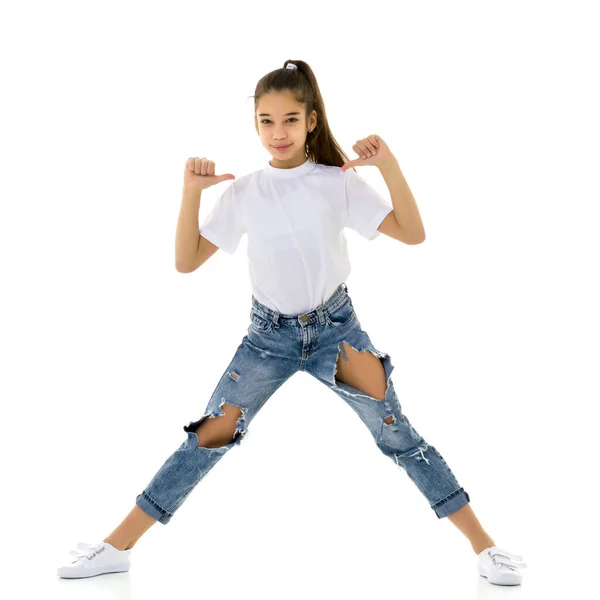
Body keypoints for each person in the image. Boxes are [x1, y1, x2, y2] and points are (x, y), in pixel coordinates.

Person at [57, 60, 527, 585]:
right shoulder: (244, 192)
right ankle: (116, 547)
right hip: (267, 341)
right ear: (255, 124)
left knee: (398, 435)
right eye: (265, 121)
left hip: (338, 337)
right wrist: (193, 190)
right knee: (208, 437)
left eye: (288, 119)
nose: (276, 132)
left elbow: (412, 233)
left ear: (311, 121)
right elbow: (186, 261)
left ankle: (486, 549)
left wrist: (388, 165)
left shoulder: (335, 183)